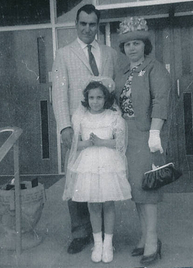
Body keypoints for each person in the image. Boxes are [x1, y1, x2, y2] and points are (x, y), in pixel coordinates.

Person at [52, 4, 118, 254]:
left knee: (102, 175)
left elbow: (113, 92)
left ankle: (103, 233)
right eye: (83, 23)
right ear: (76, 24)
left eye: (92, 24)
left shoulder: (109, 53)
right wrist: (65, 127)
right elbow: (59, 93)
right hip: (78, 126)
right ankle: (80, 232)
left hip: (104, 126)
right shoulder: (64, 53)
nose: (87, 28)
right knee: (78, 177)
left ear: (98, 26)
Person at [115, 17, 171, 265]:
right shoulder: (124, 71)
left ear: (144, 45)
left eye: (136, 43)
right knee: (135, 189)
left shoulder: (155, 68)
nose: (132, 48)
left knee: (147, 187)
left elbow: (160, 101)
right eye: (128, 44)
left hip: (147, 135)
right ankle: (144, 236)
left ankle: (152, 239)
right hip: (126, 136)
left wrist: (154, 133)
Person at [62, 77, 131, 263]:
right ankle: (97, 243)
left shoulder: (113, 115)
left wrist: (101, 142)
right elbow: (74, 144)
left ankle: (108, 243)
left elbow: (121, 142)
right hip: (88, 165)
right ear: (86, 98)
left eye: (99, 97)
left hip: (108, 164)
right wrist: (87, 143)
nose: (95, 101)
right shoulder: (81, 117)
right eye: (91, 97)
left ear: (106, 98)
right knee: (93, 205)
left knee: (108, 204)